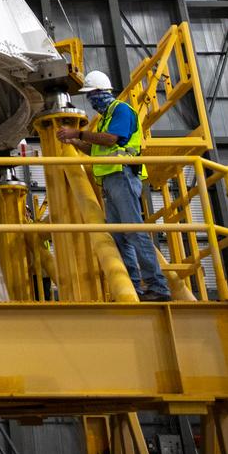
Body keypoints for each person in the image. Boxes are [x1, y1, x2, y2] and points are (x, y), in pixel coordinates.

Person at [56, 69, 171, 301]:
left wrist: (78, 133)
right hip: (111, 181)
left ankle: (158, 287)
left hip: (123, 175)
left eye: (92, 94)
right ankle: (134, 288)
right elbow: (95, 150)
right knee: (120, 238)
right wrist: (74, 141)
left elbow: (111, 140)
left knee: (135, 233)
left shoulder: (121, 110)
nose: (91, 100)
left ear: (102, 92)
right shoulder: (105, 120)